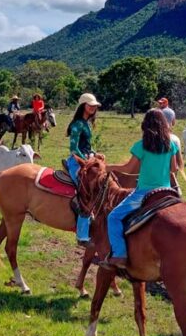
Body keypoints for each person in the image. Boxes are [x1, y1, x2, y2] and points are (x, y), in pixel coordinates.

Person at [100, 109, 180, 269]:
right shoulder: (171, 145)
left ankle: (120, 255)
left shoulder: (141, 145)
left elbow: (128, 169)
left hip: (144, 193)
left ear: (145, 125)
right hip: (167, 192)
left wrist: (107, 167)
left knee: (113, 217)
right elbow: (174, 168)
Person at [65, 93, 101, 245]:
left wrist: (95, 153)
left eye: (94, 106)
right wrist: (86, 160)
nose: (93, 107)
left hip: (87, 159)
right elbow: (74, 148)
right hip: (77, 162)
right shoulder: (78, 124)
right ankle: (82, 236)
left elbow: (86, 145)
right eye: (89, 105)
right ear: (82, 106)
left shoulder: (87, 123)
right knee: (86, 193)